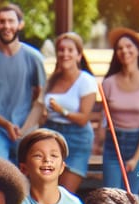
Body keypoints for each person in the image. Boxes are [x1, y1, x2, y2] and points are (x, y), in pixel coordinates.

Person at [0, 3, 45, 162]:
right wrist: (6, 124)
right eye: (2, 21)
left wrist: (26, 127)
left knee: (28, 176)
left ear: (20, 24)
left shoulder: (34, 57)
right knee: (0, 173)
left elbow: (40, 99)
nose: (6, 26)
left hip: (27, 129)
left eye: (11, 21)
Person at [100, 29, 139, 193]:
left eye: (129, 46)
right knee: (112, 195)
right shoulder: (108, 83)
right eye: (120, 48)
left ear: (138, 50)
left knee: (132, 198)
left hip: (137, 142)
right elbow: (104, 119)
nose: (124, 51)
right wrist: (99, 138)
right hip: (113, 143)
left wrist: (136, 158)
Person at [43, 32, 97, 194]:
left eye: (70, 50)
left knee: (65, 193)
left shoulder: (85, 80)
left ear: (78, 55)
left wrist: (62, 110)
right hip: (51, 135)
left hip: (77, 137)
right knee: (48, 192)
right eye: (61, 50)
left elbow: (83, 118)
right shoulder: (53, 79)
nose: (65, 54)